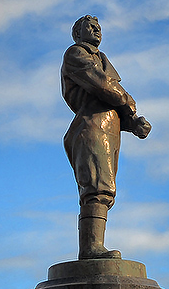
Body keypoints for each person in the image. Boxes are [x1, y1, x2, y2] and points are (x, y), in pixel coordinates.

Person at [61, 15, 151, 259]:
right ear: (77, 34)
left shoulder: (101, 59)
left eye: (98, 27)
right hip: (91, 125)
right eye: (90, 27)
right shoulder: (76, 54)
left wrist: (132, 122)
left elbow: (109, 92)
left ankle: (94, 245)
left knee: (106, 189)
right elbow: (102, 86)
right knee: (96, 185)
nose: (96, 30)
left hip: (109, 126)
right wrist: (130, 105)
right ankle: (91, 248)